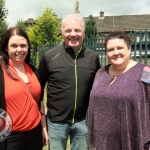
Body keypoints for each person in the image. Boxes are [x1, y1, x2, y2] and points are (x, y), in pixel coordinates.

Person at [38, 14, 100, 150]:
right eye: (68, 31)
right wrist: (42, 122)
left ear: (84, 32)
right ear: (62, 33)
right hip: (56, 123)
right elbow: (38, 88)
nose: (73, 34)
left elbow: (98, 88)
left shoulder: (93, 57)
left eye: (77, 30)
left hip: (83, 121)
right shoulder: (49, 57)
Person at [87, 31, 150, 150]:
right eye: (110, 50)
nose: (116, 53)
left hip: (132, 140)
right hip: (102, 142)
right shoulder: (101, 73)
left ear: (129, 48)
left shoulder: (145, 72)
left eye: (120, 48)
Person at [0, 27, 48, 150]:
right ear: (6, 48)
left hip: (35, 135)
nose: (19, 50)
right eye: (14, 46)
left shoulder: (34, 71)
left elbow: (40, 103)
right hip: (11, 137)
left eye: (23, 45)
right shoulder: (1, 72)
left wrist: (43, 129)